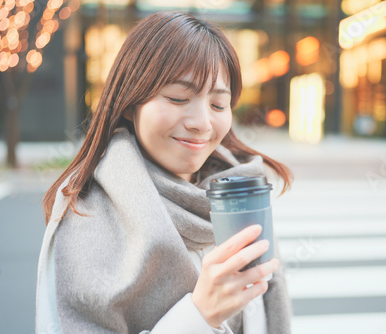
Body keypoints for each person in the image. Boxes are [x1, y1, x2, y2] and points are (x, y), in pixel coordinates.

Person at [36, 11, 293, 334]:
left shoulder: (239, 191)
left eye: (218, 104)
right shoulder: (84, 213)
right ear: (131, 103)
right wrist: (199, 316)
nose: (201, 122)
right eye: (178, 98)